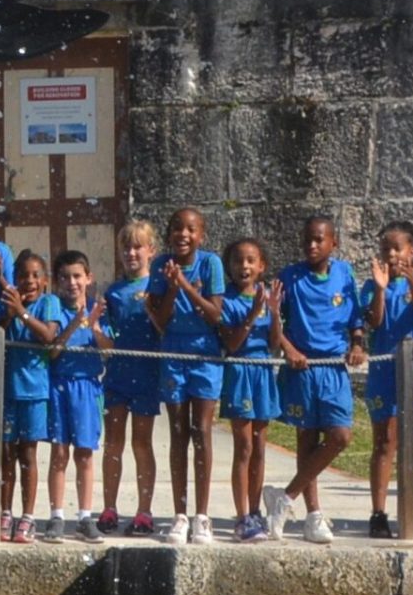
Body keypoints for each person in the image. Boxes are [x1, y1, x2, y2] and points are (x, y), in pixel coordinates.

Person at [267, 217, 360, 544]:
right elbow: (275, 326)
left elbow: (355, 319)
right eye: (307, 239)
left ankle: (286, 496)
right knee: (306, 440)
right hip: (302, 369)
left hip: (333, 368)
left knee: (340, 435)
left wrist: (358, 344)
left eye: (319, 240)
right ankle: (313, 515)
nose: (312, 246)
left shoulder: (345, 275)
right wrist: (289, 350)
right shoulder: (289, 278)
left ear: (333, 243)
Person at [149, 208, 226, 545]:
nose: (183, 234)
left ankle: (202, 515)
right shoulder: (160, 265)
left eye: (190, 229)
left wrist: (185, 286)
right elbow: (162, 320)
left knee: (202, 430)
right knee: (178, 430)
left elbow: (215, 314)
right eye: (176, 228)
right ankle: (180, 513)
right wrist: (171, 287)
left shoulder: (210, 265)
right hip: (173, 352)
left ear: (201, 235)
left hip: (205, 355)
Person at [360, 221, 413, 540]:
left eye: (397, 248)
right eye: (385, 249)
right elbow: (375, 322)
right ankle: (378, 513)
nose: (391, 255)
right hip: (384, 373)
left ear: (412, 251)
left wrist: (411, 282)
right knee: (384, 442)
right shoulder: (372, 285)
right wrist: (380, 289)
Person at [0, 250, 65, 545]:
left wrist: (22, 313)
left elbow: (48, 336)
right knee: (6, 454)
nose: (29, 281)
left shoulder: (48, 303)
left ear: (46, 281)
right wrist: (10, 311)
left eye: (36, 275)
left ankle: (27, 516)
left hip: (35, 392)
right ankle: (5, 511)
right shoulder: (10, 307)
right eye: (23, 275)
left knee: (28, 454)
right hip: (8, 391)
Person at [98, 219, 160, 537]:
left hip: (147, 376)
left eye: (137, 246)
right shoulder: (112, 292)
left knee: (141, 442)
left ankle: (144, 511)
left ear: (151, 250)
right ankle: (109, 508)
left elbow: (164, 329)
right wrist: (95, 328)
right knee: (114, 443)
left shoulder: (157, 288)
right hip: (118, 377)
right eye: (126, 247)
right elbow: (108, 342)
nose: (131, 252)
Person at [217, 238, 279, 542]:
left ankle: (255, 511)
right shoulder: (227, 301)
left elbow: (275, 343)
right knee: (243, 447)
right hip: (240, 370)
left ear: (261, 266)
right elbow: (231, 343)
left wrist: (275, 312)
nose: (244, 266)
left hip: (263, 371)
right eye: (238, 261)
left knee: (259, 447)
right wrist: (253, 313)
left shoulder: (267, 297)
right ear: (230, 267)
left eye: (251, 260)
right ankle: (241, 516)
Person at [44, 249, 105, 543]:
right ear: (57, 282)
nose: (72, 283)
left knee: (84, 453)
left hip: (88, 387)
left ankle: (84, 516)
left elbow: (107, 350)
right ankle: (56, 515)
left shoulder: (99, 309)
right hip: (59, 385)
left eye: (77, 276)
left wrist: (93, 324)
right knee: (59, 452)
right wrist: (73, 324)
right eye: (66, 277)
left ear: (88, 278)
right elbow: (53, 352)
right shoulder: (54, 309)